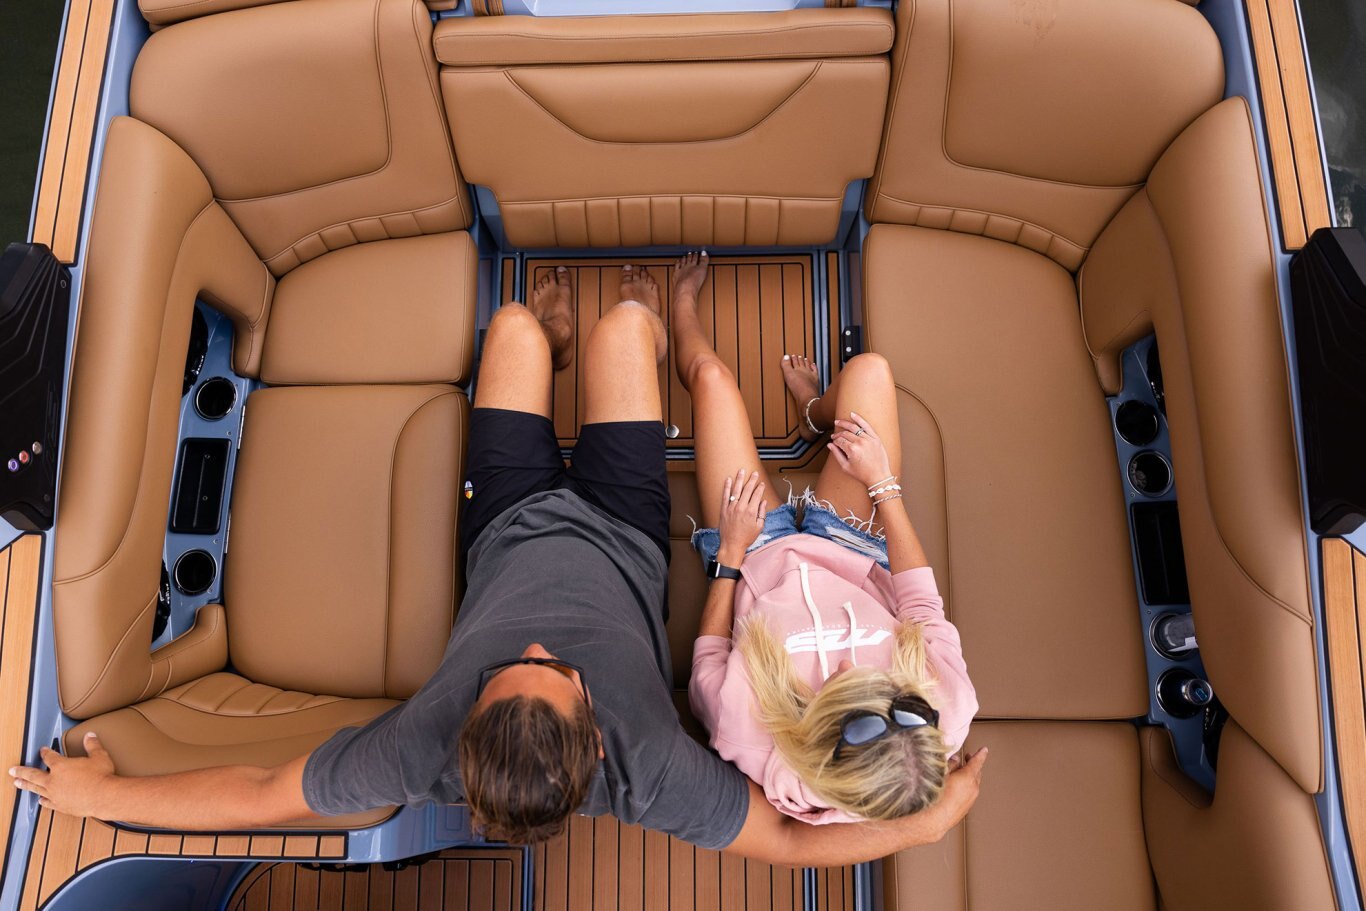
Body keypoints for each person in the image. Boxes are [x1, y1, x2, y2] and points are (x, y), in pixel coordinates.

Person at [10, 260, 986, 863]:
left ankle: (549, 344)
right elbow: (787, 842)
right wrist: (920, 822)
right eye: (554, 670)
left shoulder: (422, 744)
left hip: (508, 519)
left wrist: (104, 799)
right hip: (624, 522)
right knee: (625, 332)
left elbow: (260, 794)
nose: (534, 643)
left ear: (462, 730)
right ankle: (634, 328)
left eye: (504, 668)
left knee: (515, 328)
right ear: (598, 740)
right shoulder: (653, 771)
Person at [669, 250, 979, 824]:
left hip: (754, 552)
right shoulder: (947, 706)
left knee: (712, 380)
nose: (843, 669)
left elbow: (709, 658)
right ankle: (814, 413)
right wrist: (882, 484)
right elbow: (920, 604)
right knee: (870, 372)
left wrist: (730, 556)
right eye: (897, 697)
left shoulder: (748, 733)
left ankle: (679, 303)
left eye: (843, 691)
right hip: (852, 547)